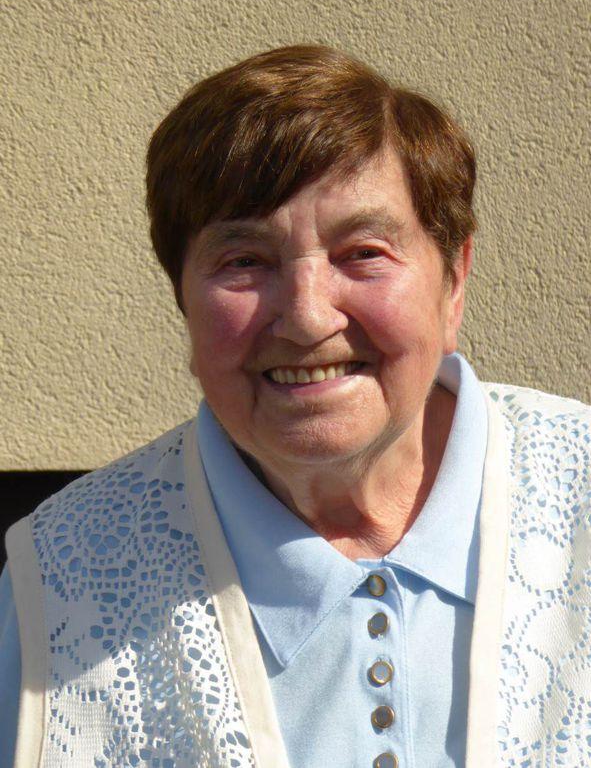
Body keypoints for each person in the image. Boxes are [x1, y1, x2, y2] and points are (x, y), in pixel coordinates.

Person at [1, 45, 589, 768]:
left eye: (363, 252)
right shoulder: (59, 581)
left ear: (454, 282)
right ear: (182, 298)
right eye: (244, 261)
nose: (308, 319)